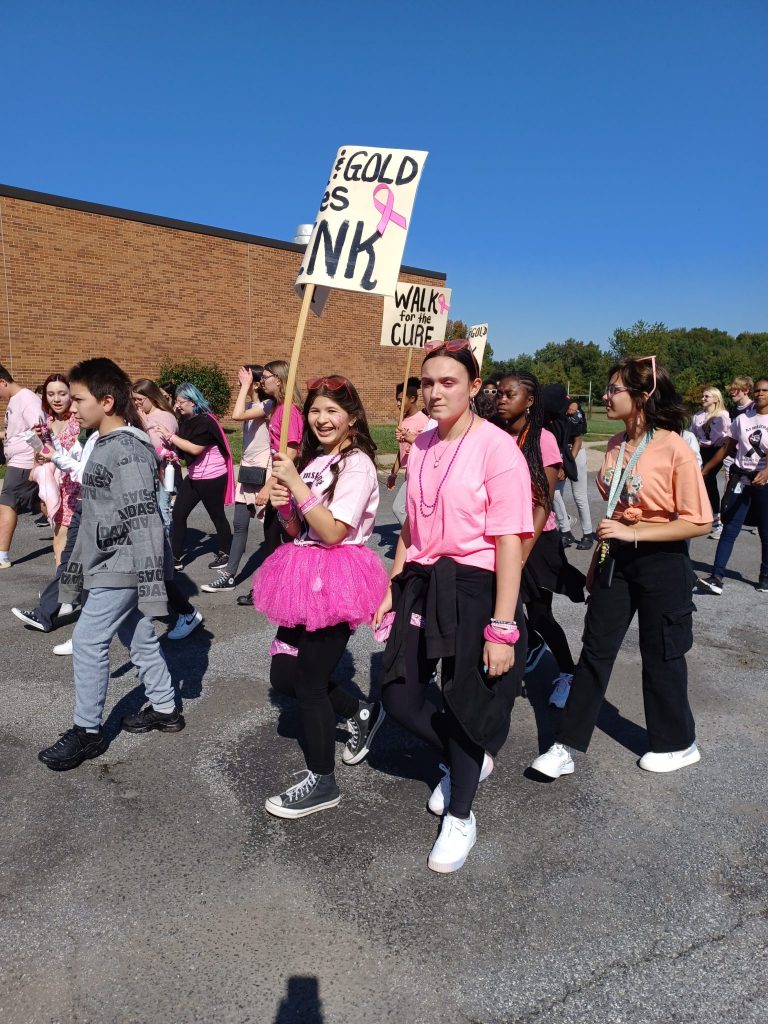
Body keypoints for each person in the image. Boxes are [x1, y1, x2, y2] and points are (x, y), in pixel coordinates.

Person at [374, 340, 533, 874]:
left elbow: (509, 539)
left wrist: (502, 627)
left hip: (476, 585)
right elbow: (411, 528)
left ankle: (461, 811)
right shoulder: (420, 444)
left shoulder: (497, 449)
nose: (436, 392)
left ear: (473, 388)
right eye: (428, 383)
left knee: (466, 700)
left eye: (448, 382)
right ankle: (468, 757)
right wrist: (392, 588)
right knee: (399, 695)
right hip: (423, 579)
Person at [530, 356, 711, 781]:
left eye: (614, 390)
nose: (606, 396)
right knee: (595, 648)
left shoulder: (675, 447)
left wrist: (636, 534)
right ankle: (566, 744)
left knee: (662, 653)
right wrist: (601, 558)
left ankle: (678, 743)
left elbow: (699, 520)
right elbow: (615, 507)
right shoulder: (614, 445)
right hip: (616, 558)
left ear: (643, 396)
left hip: (662, 562)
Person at [251, 375, 389, 818]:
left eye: (332, 410)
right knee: (283, 676)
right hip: (300, 574)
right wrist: (283, 505)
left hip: (336, 578)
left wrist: (294, 482)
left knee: (309, 683)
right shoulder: (312, 460)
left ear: (352, 416)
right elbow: (300, 530)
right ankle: (359, 713)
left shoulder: (357, 464)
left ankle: (322, 781)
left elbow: (332, 532)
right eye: (315, 410)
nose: (322, 419)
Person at [38, 358, 182, 771]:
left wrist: (151, 580)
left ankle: (87, 732)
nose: (72, 407)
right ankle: (166, 708)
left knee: (87, 642)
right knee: (136, 636)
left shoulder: (126, 450)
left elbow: (145, 517)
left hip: (123, 563)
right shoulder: (103, 443)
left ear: (105, 401)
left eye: (78, 399)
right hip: (109, 559)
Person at [495, 372, 585, 708]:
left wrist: (520, 553)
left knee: (540, 615)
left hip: (535, 539)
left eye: (510, 394)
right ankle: (519, 656)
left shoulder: (543, 439)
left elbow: (544, 502)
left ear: (530, 401)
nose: (501, 399)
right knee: (503, 609)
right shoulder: (497, 436)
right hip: (501, 536)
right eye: (499, 393)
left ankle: (567, 672)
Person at [202, 365, 274, 594]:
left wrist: (246, 387)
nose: (238, 382)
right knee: (240, 525)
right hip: (247, 473)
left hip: (265, 474)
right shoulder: (254, 405)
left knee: (271, 531)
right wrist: (246, 388)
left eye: (243, 378)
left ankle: (274, 580)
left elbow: (235, 415)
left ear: (256, 383)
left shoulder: (268, 405)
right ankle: (229, 575)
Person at [697, 377, 768, 595]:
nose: (760, 394)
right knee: (730, 528)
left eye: (765, 390)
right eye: (757, 390)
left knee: (766, 532)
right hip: (741, 478)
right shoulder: (742, 419)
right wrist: (706, 469)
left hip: (764, 481)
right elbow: (728, 448)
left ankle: (765, 575)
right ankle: (717, 576)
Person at [160, 383, 235, 571]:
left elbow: (195, 449)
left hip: (212, 477)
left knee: (216, 515)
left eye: (180, 401)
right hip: (195, 476)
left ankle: (227, 552)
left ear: (193, 402)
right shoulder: (186, 420)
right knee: (178, 514)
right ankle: (175, 557)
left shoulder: (205, 422)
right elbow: (186, 449)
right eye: (176, 401)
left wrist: (170, 437)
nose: (177, 405)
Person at [29, 374, 82, 565]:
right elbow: (40, 456)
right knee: (60, 534)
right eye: (51, 394)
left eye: (62, 393)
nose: (56, 399)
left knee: (67, 535)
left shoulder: (79, 420)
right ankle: (61, 579)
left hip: (77, 484)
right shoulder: (46, 422)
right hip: (56, 486)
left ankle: (65, 582)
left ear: (71, 395)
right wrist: (37, 445)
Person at [258, 359, 304, 559]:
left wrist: (269, 486)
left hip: (286, 482)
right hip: (279, 479)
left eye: (265, 377)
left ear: (278, 380)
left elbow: (291, 454)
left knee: (277, 537)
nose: (262, 381)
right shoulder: (277, 408)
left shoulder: (288, 410)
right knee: (273, 536)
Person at [0, 364, 43, 568]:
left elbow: (39, 431)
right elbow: (18, 431)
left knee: (8, 502)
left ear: (2, 381)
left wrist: (36, 463)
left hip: (24, 461)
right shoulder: (15, 400)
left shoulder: (27, 399)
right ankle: (74, 533)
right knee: (40, 503)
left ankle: (2, 556)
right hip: (20, 461)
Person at [132, 379, 179, 529]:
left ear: (151, 397)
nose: (136, 403)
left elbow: (158, 447)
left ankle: (167, 547)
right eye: (133, 399)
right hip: (145, 471)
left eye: (139, 399)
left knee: (161, 510)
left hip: (163, 472)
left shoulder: (165, 416)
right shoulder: (142, 415)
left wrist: (144, 423)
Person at [387, 376, 429, 527]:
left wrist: (408, 437)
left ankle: (416, 539)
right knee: (413, 510)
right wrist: (393, 473)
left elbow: (429, 447)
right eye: (396, 400)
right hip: (408, 472)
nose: (398, 404)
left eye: (400, 399)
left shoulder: (423, 420)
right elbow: (401, 451)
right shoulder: (403, 421)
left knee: (398, 508)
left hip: (420, 473)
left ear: (412, 398)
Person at [690, 387, 731, 539]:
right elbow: (692, 434)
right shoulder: (697, 416)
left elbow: (724, 437)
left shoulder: (722, 415)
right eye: (702, 396)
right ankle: (703, 513)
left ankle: (718, 519)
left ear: (716, 399)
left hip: (716, 451)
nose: (703, 398)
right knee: (698, 480)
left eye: (707, 396)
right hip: (701, 451)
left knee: (708, 478)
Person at [557, 398, 596, 550]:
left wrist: (567, 466)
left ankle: (587, 534)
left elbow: (578, 441)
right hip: (559, 455)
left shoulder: (573, 412)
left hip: (575, 453)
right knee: (554, 493)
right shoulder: (549, 413)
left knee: (579, 496)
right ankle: (565, 531)